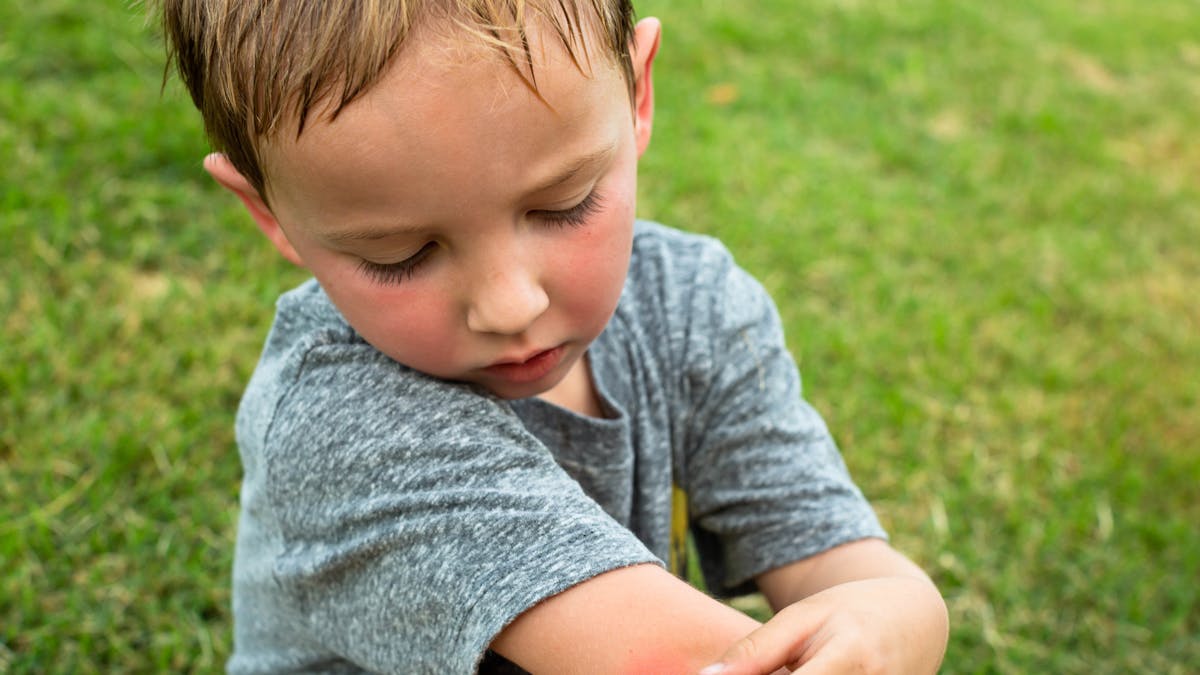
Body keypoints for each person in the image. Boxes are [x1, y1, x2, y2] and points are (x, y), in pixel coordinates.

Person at [158, 1, 949, 672]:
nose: (508, 304)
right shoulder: (339, 426)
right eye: (398, 254)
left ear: (637, 94)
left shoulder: (693, 306)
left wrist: (893, 618)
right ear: (269, 210)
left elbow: (858, 571)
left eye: (564, 203)